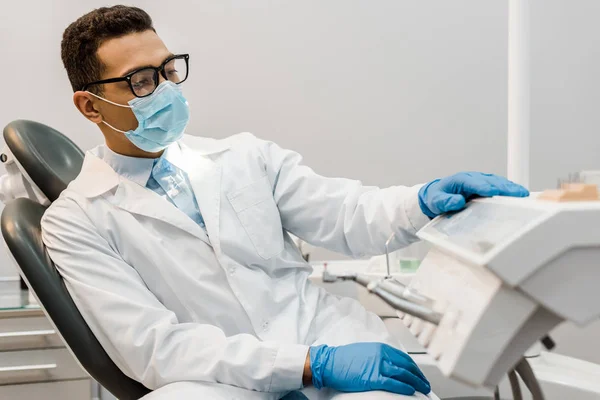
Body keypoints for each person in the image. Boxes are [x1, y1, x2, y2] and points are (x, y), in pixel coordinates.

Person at [41, 5, 529, 400]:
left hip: (325, 337)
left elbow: (345, 213)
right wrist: (302, 367)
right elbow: (152, 346)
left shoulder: (244, 156)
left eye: (169, 71)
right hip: (219, 382)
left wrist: (422, 201)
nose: (165, 90)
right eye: (142, 82)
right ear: (90, 105)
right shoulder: (76, 220)